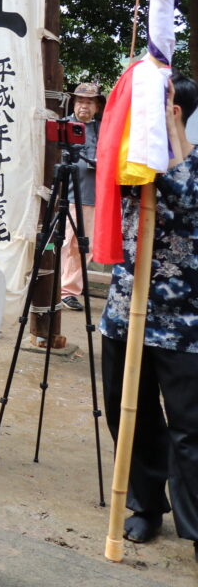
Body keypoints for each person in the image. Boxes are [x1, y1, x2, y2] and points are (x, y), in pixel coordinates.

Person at [99, 75, 198, 564]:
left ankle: (196, 524)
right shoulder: (132, 161)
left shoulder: (192, 162)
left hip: (185, 323)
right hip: (125, 309)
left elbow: (186, 193)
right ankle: (144, 505)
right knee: (127, 411)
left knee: (189, 427)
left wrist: (174, 139)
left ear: (175, 112)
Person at [60, 82, 102, 311]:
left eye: (89, 102)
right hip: (66, 194)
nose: (84, 106)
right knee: (64, 242)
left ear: (96, 106)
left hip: (93, 196)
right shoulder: (62, 126)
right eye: (80, 101)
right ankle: (54, 286)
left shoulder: (102, 128)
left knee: (85, 246)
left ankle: (70, 290)